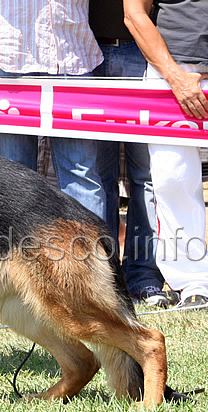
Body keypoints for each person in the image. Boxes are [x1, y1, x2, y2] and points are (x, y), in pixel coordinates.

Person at [0, 0, 106, 221]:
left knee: (82, 174)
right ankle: (19, 254)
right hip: (8, 54)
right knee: (12, 173)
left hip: (72, 53)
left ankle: (92, 254)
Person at [89, 0, 176, 308]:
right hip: (87, 53)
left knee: (147, 175)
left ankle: (144, 279)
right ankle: (107, 278)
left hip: (145, 50)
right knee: (97, 176)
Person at [124, 0, 208, 309]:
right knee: (173, 179)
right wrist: (176, 77)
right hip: (174, 75)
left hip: (180, 75)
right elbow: (133, 14)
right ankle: (193, 285)